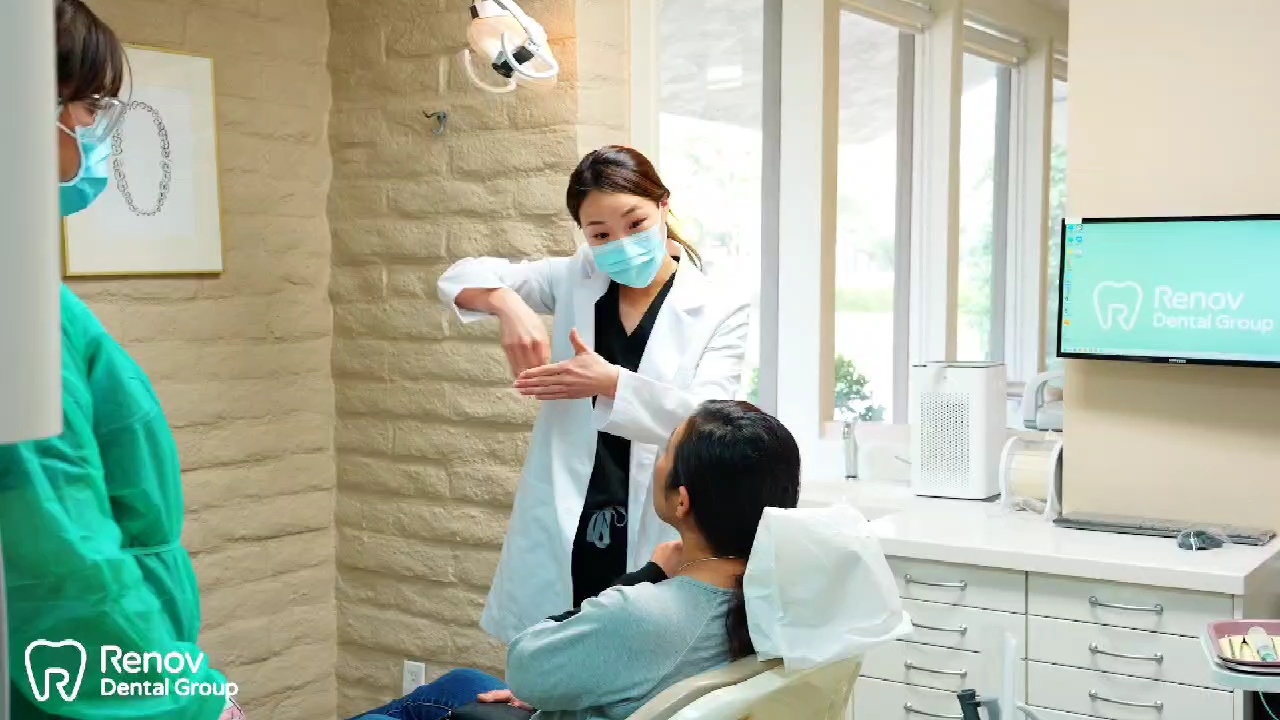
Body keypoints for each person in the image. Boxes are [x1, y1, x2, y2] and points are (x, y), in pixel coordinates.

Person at [0, 2, 239, 718]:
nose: (93, 130)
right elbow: (62, 555)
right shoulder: (18, 303)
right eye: (87, 105)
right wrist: (188, 701)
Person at [437, 145, 752, 643]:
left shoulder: (719, 306)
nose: (620, 244)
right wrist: (508, 306)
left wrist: (611, 383)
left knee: (634, 653)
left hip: (653, 512)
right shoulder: (575, 278)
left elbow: (708, 419)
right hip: (571, 508)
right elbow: (459, 275)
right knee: (554, 653)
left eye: (635, 223)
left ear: (664, 205)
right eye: (600, 234)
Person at [352, 400, 802, 720]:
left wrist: (648, 574)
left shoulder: (647, 613)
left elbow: (525, 666)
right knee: (460, 682)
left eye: (666, 451)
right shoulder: (785, 598)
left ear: (682, 501)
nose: (659, 460)